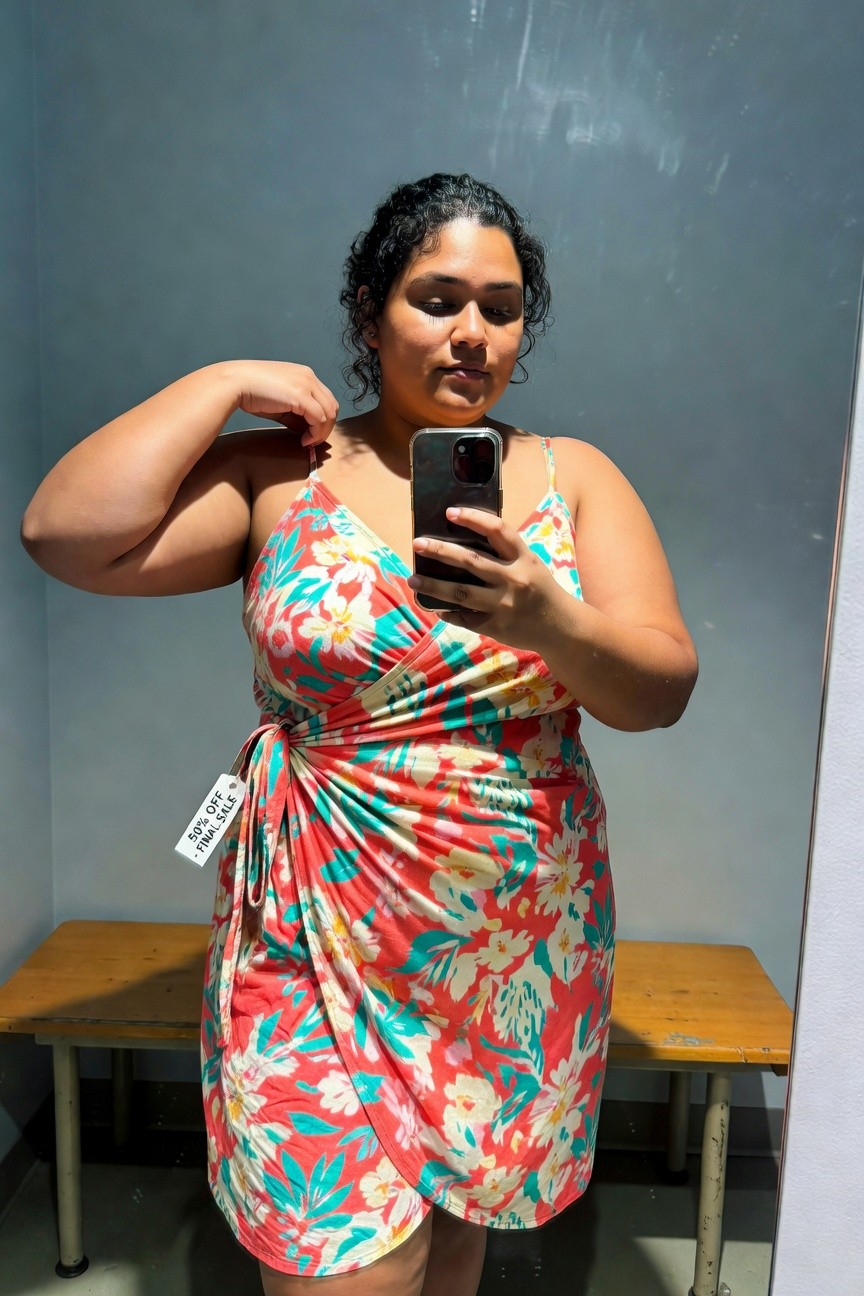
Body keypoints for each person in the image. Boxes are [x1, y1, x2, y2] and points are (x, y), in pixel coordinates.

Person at [21, 173, 698, 1296]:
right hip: (306, 916)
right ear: (368, 311)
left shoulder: (572, 479)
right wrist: (223, 381)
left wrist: (547, 618)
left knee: (453, 1237)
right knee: (342, 1263)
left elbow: (659, 688)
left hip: (506, 945)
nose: (474, 332)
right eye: (437, 298)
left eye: (503, 304)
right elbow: (63, 533)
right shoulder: (283, 481)